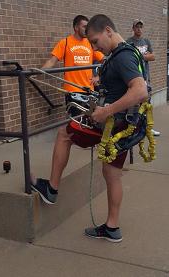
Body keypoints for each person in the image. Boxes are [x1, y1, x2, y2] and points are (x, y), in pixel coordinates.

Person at [82, 14, 148, 242]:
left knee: (110, 174)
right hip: (123, 124)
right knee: (112, 175)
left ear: (108, 30)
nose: (95, 47)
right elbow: (124, 84)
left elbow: (140, 91)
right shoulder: (123, 54)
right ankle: (112, 226)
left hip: (119, 125)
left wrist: (106, 111)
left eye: (95, 40)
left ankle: (112, 227)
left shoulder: (123, 56)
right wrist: (102, 82)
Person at [30, 15, 104, 204]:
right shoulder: (65, 43)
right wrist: (38, 72)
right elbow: (52, 62)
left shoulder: (90, 44)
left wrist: (98, 77)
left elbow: (105, 61)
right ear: (75, 27)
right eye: (83, 26)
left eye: (88, 27)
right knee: (71, 132)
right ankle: (53, 186)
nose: (86, 30)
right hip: (72, 94)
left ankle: (52, 187)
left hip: (89, 94)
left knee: (72, 133)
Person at [126, 19, 161, 137]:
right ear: (133, 28)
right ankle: (133, 128)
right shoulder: (129, 42)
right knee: (134, 103)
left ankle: (148, 127)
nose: (139, 29)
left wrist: (140, 56)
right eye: (137, 27)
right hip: (134, 77)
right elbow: (128, 57)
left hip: (146, 77)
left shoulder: (146, 41)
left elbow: (153, 56)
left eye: (141, 27)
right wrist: (143, 56)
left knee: (147, 102)